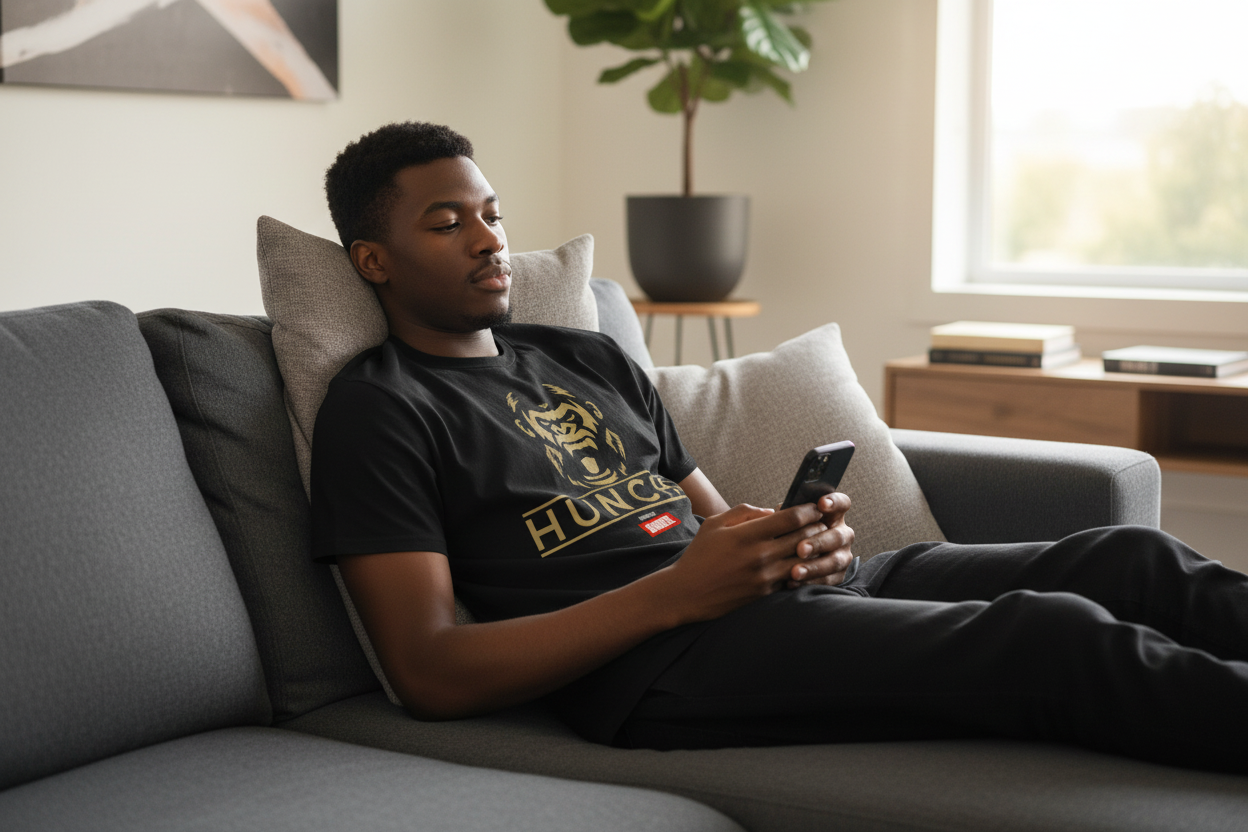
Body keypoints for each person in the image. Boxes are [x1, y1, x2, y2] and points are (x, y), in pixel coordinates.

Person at [311, 121, 1248, 774]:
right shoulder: (380, 408)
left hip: (771, 607)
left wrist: (792, 544)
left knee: (1125, 558)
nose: (490, 241)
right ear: (374, 260)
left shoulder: (584, 354)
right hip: (658, 670)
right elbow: (428, 671)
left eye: (492, 213)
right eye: (447, 223)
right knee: (1047, 637)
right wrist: (677, 592)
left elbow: (716, 522)